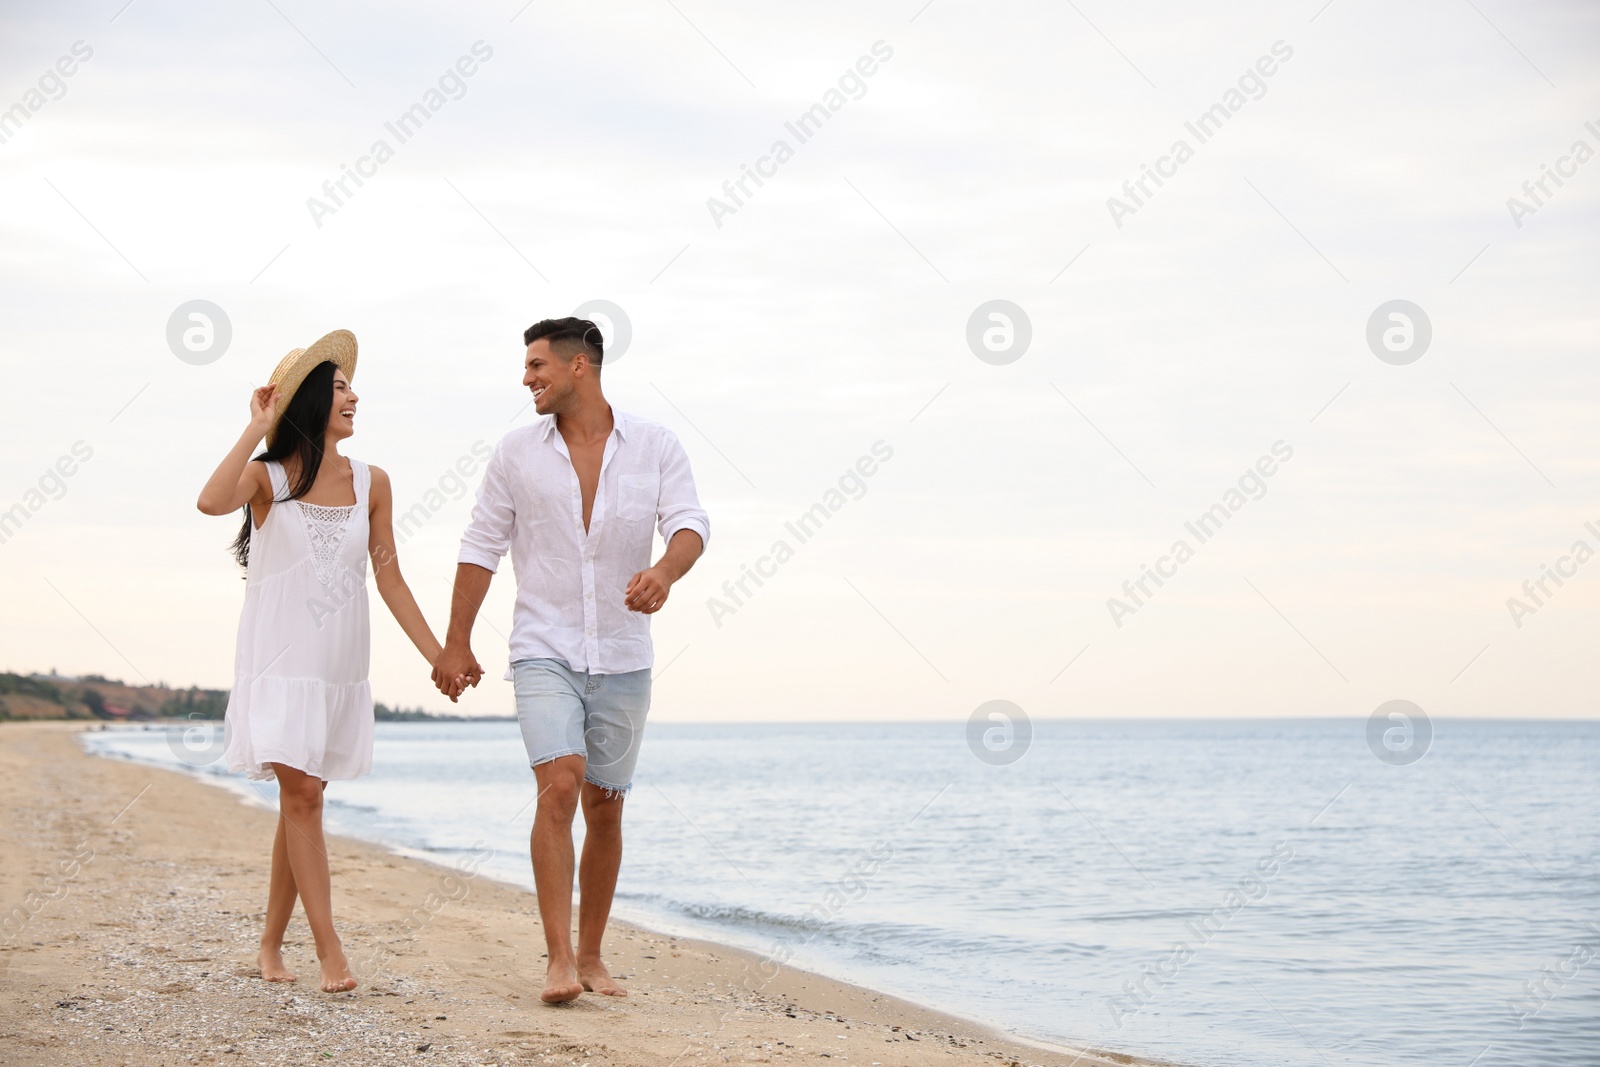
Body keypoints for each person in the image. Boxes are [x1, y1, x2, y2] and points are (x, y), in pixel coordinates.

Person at [432, 316, 708, 1003]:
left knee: (606, 805)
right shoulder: (516, 453)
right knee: (560, 784)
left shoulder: (655, 445)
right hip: (543, 646)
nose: (527, 378)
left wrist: (665, 573)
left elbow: (690, 524)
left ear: (577, 366)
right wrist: (457, 640)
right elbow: (481, 543)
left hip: (623, 651)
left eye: (536, 365)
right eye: (527, 367)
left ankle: (591, 954)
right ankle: (557, 960)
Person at [197, 330, 471, 992]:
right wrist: (254, 427)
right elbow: (210, 501)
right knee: (303, 797)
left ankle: (269, 946)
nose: (353, 396)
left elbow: (392, 579)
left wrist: (441, 654)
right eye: (341, 387)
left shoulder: (373, 482)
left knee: (305, 797)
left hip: (338, 666)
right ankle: (330, 953)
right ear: (311, 400)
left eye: (351, 387)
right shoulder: (267, 477)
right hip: (278, 663)